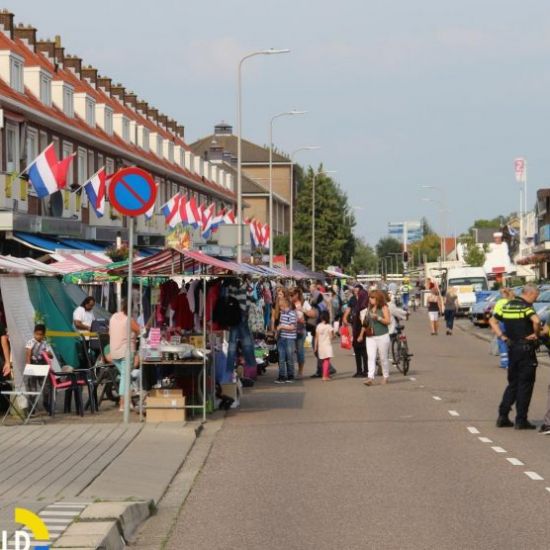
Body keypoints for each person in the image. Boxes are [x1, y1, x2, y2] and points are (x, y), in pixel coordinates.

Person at [489, 283, 540, 430]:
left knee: (513, 383)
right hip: (526, 349)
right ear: (529, 294)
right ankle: (521, 420)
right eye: (535, 297)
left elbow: (493, 321)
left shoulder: (507, 305)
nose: (535, 300)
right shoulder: (526, 307)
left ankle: (503, 416)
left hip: (512, 347)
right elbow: (536, 321)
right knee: (525, 384)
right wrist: (536, 334)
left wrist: (502, 336)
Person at [109, 298, 141, 412]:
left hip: (114, 352)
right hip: (126, 352)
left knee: (124, 376)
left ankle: (128, 401)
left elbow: (110, 332)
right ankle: (122, 403)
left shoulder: (113, 317)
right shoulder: (129, 320)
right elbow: (141, 331)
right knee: (125, 377)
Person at [359, 290, 391, 386]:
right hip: (370, 336)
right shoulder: (369, 308)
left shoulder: (384, 307)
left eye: (372, 298)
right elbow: (365, 323)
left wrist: (378, 318)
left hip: (382, 336)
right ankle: (370, 377)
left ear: (378, 298)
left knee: (383, 358)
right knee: (371, 357)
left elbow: (388, 321)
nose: (370, 299)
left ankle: (385, 376)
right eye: (370, 297)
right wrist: (361, 335)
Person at [343, 284, 369, 377]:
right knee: (357, 350)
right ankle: (359, 370)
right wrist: (345, 318)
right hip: (355, 327)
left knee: (364, 351)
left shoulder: (365, 301)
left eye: (358, 291)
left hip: (363, 328)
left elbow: (365, 320)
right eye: (355, 290)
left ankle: (366, 370)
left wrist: (362, 334)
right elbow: (348, 309)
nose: (356, 292)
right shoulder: (353, 299)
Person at [275, 292, 297, 384]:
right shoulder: (283, 314)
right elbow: (281, 325)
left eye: (281, 306)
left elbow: (292, 327)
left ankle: (290, 375)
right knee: (281, 358)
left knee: (289, 358)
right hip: (282, 338)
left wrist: (282, 327)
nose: (280, 308)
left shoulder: (292, 314)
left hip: (289, 339)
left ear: (285, 305)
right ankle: (281, 376)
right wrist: (277, 332)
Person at [493, 288, 515, 368]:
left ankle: (505, 363)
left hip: (502, 323)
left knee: (502, 342)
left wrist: (494, 327)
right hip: (512, 323)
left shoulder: (499, 302)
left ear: (503, 294)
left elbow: (495, 315)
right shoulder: (513, 301)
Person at [290, 287, 306, 379]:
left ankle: (300, 371)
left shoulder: (303, 304)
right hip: (291, 330)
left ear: (297, 294)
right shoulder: (290, 304)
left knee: (300, 351)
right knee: (291, 351)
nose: (291, 297)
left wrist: (302, 318)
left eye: (292, 295)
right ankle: (291, 371)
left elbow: (307, 317)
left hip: (300, 330)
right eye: (290, 295)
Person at [315, 311, 334, 381]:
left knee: (323, 361)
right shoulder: (329, 326)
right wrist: (333, 334)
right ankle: (324, 376)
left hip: (320, 346)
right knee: (327, 360)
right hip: (327, 346)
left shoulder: (318, 326)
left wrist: (315, 346)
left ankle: (327, 374)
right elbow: (331, 337)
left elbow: (316, 337)